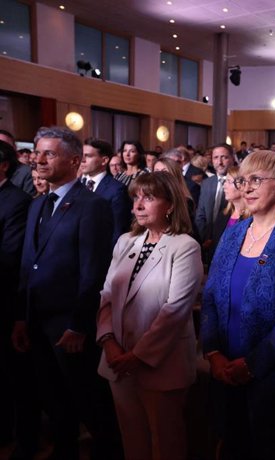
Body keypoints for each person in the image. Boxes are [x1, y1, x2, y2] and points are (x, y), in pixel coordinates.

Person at [12, 126, 121, 459]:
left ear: (75, 161)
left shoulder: (93, 206)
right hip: (36, 321)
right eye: (37, 152)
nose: (39, 159)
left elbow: (93, 273)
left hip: (68, 324)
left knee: (88, 400)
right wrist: (20, 317)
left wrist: (79, 324)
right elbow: (27, 265)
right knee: (54, 400)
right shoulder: (37, 205)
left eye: (49, 153)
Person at [201, 150, 275, 459]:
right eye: (243, 180)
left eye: (256, 180)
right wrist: (212, 354)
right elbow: (210, 295)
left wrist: (252, 365)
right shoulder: (233, 233)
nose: (246, 187)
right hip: (224, 370)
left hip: (273, 378)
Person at [96, 172, 203, 460]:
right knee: (133, 442)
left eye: (149, 197)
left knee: (166, 444)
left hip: (160, 364)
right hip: (117, 361)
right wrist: (108, 343)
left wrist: (136, 356)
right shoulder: (125, 242)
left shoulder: (184, 246)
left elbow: (175, 310)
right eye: (136, 198)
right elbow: (106, 295)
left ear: (169, 204)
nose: (138, 205)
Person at [0, 140, 35, 456]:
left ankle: (24, 440)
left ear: (4, 166)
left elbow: (10, 256)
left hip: (7, 301)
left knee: (14, 379)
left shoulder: (16, 201)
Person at [82, 138, 132, 247]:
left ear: (104, 160)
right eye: (82, 155)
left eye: (88, 156)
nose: (82, 160)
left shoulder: (117, 190)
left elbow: (118, 230)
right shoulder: (78, 185)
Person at [195, 144, 233, 263]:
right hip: (207, 244)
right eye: (216, 158)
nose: (219, 162)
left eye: (224, 157)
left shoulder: (239, 182)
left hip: (228, 244)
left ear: (232, 158)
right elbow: (200, 215)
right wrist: (204, 238)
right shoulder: (206, 183)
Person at [153, 157, 200, 241]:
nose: (159, 175)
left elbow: (181, 231)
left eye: (164, 172)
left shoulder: (185, 201)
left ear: (174, 175)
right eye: (156, 171)